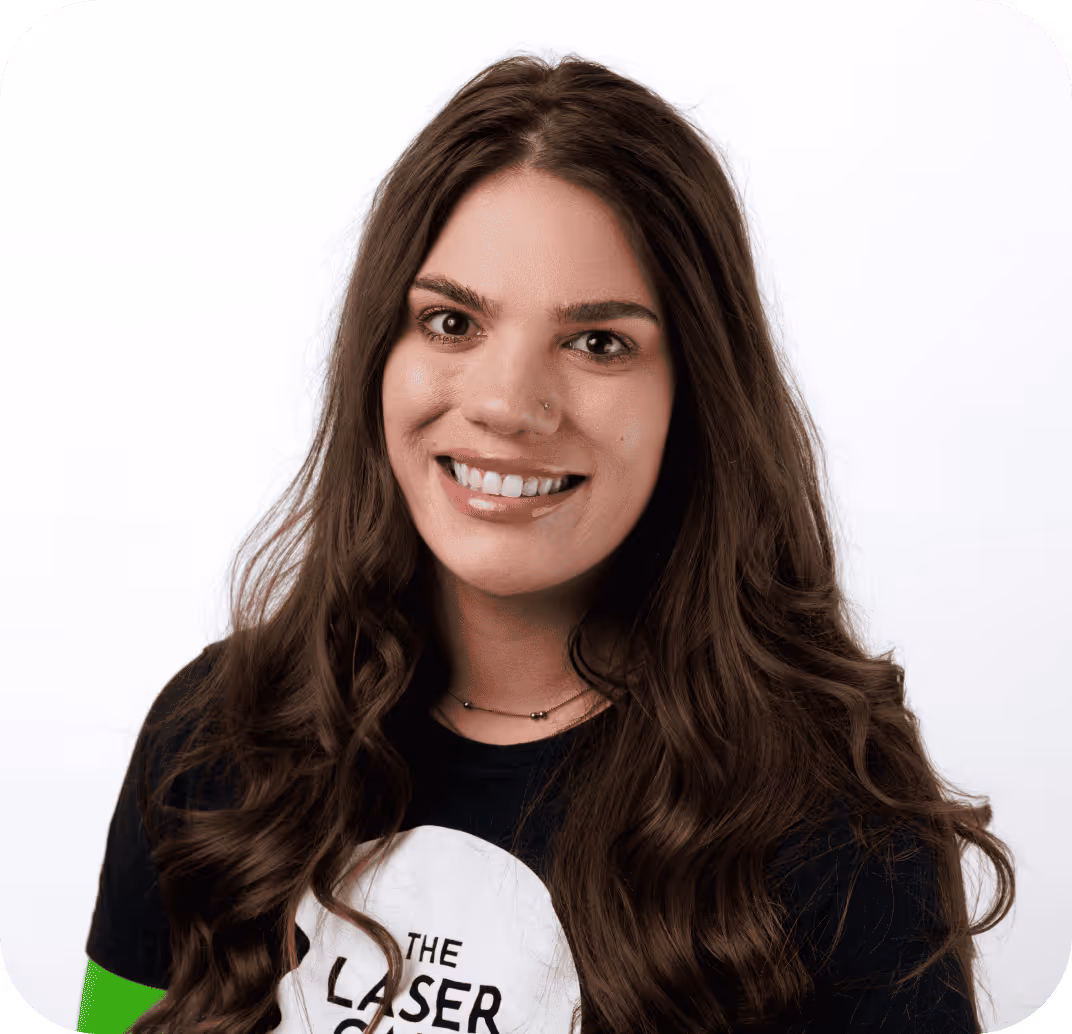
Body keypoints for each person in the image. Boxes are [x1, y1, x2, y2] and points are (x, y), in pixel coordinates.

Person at [80, 52, 1015, 1034]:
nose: (504, 404)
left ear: (691, 397)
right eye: (450, 321)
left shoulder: (834, 808)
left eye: (598, 341)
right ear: (376, 357)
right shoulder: (215, 732)